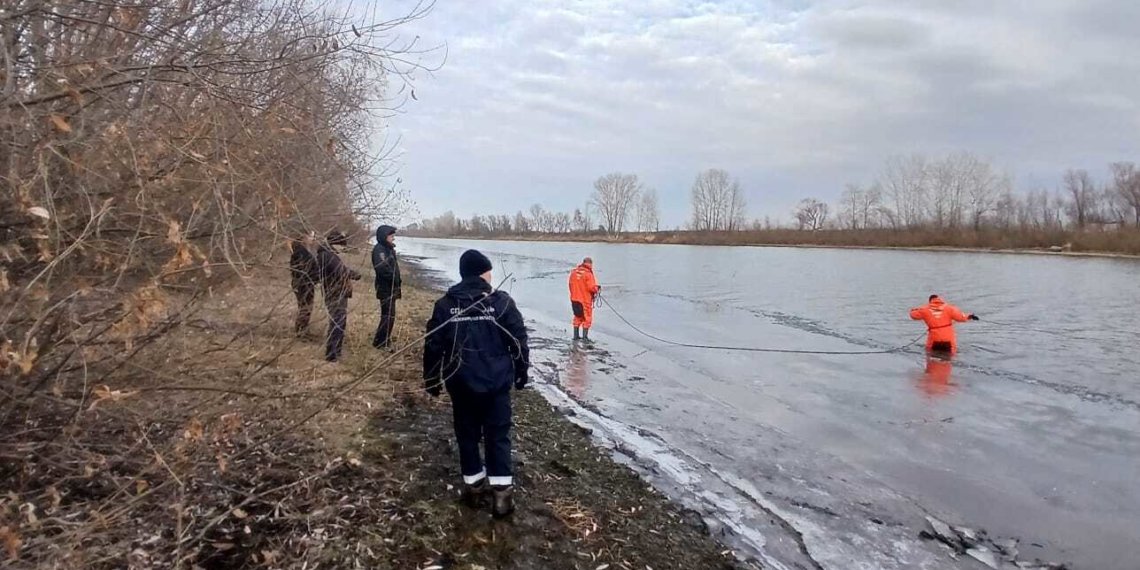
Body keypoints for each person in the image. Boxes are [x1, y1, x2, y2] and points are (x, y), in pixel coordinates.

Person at [423, 250, 529, 518]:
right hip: (495, 384)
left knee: (467, 435)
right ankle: (501, 495)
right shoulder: (501, 302)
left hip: (461, 383)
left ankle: (474, 488)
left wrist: (432, 378)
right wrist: (521, 371)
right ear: (483, 273)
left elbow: (433, 345)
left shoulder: (446, 305)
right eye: (489, 271)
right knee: (498, 435)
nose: (491, 276)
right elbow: (518, 341)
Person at [317, 230, 361, 362]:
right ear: (335, 244)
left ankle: (336, 351)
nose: (342, 249)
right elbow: (340, 271)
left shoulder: (327, 254)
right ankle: (332, 354)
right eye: (341, 246)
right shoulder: (328, 255)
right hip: (335, 293)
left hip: (335, 292)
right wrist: (354, 274)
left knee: (339, 322)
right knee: (337, 323)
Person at [909, 294, 978, 355]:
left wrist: (914, 309)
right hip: (948, 338)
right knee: (950, 356)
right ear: (940, 300)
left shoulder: (924, 309)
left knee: (931, 355)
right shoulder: (949, 308)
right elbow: (961, 317)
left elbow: (913, 315)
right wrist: (970, 316)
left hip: (934, 338)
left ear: (930, 301)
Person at [371, 225, 402, 349]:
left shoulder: (388, 249)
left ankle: (384, 340)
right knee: (387, 316)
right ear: (384, 236)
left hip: (391, 288)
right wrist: (394, 279)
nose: (393, 238)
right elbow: (382, 268)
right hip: (385, 288)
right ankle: (380, 342)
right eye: (391, 236)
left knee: (389, 316)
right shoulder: (380, 250)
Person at [289, 234, 319, 337]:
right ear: (303, 238)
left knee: (305, 307)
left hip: (305, 283)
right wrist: (314, 276)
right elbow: (303, 270)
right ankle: (300, 331)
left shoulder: (304, 251)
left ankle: (303, 329)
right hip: (303, 284)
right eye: (311, 236)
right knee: (305, 307)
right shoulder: (300, 252)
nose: (313, 239)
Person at [568, 257, 600, 341]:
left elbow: (570, 285)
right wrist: (597, 288)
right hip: (584, 300)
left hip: (574, 299)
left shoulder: (573, 272)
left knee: (577, 317)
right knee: (587, 318)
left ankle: (576, 336)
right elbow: (591, 287)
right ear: (590, 264)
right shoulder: (588, 274)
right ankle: (585, 338)